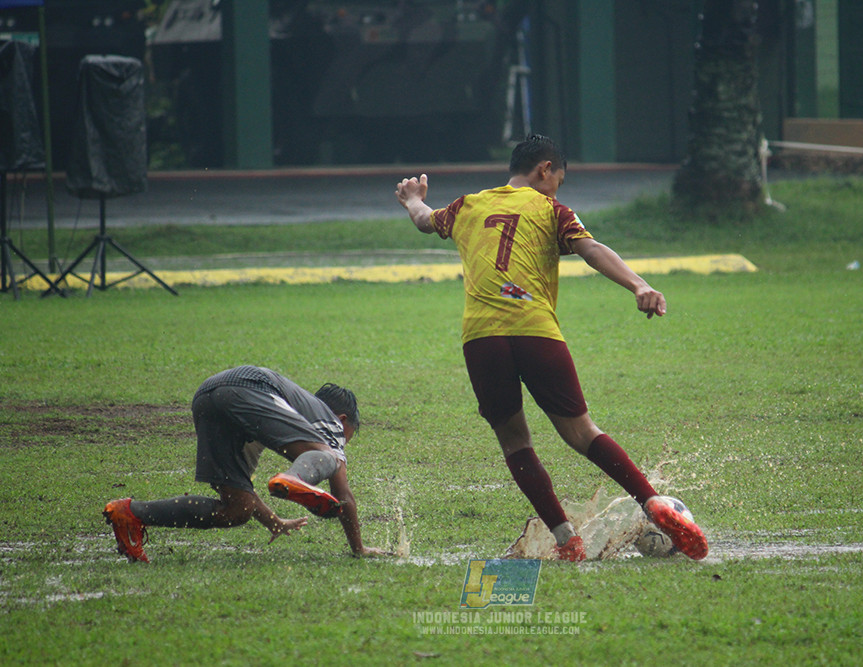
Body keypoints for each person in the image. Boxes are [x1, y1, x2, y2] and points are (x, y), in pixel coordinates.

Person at [395, 134, 708, 561]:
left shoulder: (469, 205)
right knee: (581, 432)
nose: (557, 188)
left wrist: (412, 197)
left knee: (514, 441)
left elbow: (424, 219)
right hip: (535, 331)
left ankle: (566, 539)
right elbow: (591, 249)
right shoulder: (551, 209)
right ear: (545, 170)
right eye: (558, 179)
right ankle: (652, 502)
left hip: (482, 338)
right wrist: (639, 284)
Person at [103, 365, 386, 562]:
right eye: (348, 437)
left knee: (236, 509)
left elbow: (245, 493)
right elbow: (343, 494)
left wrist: (275, 522)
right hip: (250, 385)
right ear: (343, 420)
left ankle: (130, 513)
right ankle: (297, 477)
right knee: (330, 458)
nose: (343, 441)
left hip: (207, 395)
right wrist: (359, 548)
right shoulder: (330, 420)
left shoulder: (277, 414)